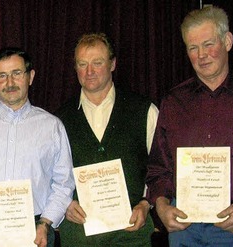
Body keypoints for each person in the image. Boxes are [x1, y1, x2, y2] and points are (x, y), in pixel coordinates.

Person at [146, 6, 233, 246]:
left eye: (208, 44)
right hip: (185, 230)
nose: (202, 55)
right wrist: (161, 206)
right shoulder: (172, 103)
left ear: (228, 41)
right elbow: (158, 169)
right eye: (193, 48)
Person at [0, 47, 75, 247]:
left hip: (38, 233)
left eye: (16, 74)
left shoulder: (52, 126)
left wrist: (45, 224)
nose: (9, 83)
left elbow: (64, 183)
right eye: (2, 76)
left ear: (31, 76)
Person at [55, 33, 158, 246]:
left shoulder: (144, 110)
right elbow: (47, 174)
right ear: (75, 68)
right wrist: (64, 203)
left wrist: (146, 204)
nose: (89, 71)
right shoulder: (58, 120)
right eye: (82, 64)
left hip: (132, 232)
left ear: (112, 64)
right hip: (78, 234)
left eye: (97, 63)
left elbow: (161, 167)